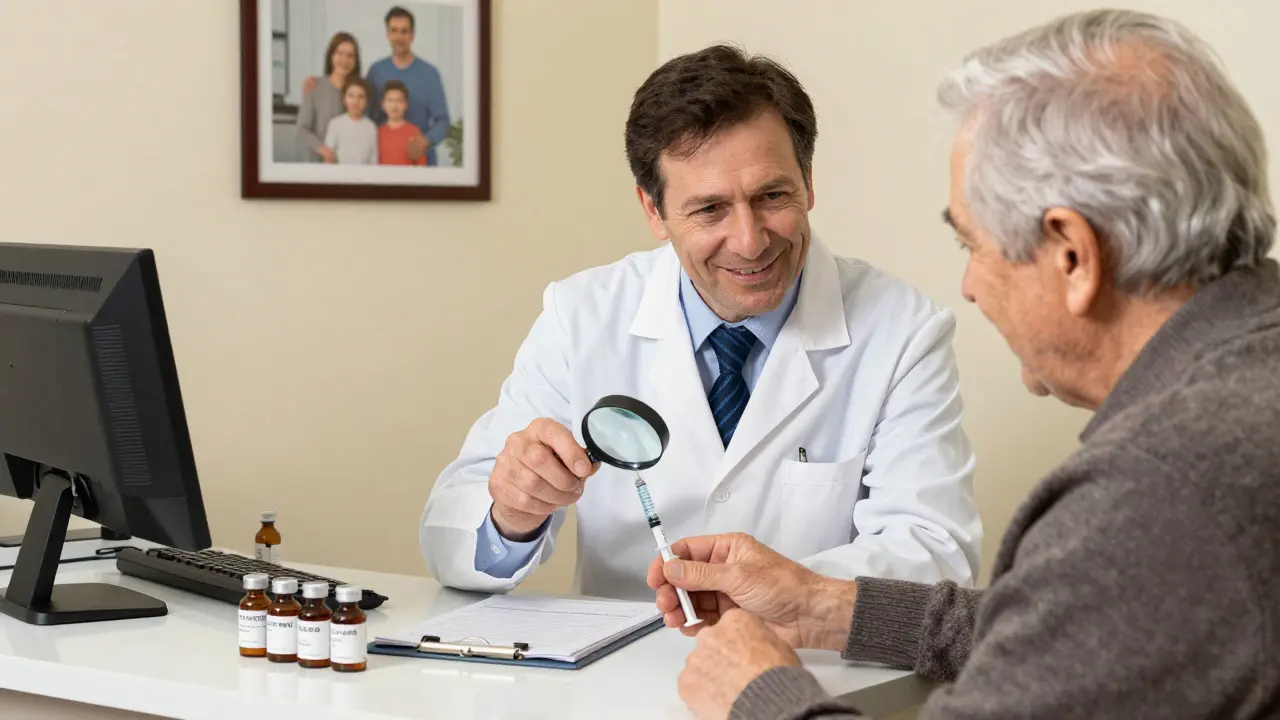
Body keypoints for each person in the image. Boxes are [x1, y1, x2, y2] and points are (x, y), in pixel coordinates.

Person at [648, 10, 1280, 720]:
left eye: (972, 245)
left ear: (1072, 255)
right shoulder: (1254, 373)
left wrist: (758, 693)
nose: (971, 286)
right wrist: (825, 606)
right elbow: (1091, 626)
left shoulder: (1157, 486)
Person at [420, 46, 983, 600]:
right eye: (710, 209)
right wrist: (510, 514)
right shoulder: (582, 317)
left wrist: (789, 589)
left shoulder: (905, 332)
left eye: (772, 195)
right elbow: (451, 539)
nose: (750, 240)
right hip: (616, 679)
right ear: (654, 211)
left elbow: (936, 557)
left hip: (811, 674)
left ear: (808, 182)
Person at [364, 6, 450, 166]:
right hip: (385, 164)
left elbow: (443, 121)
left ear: (412, 35)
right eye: (394, 31)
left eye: (404, 31)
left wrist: (426, 141)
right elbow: (360, 109)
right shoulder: (376, 72)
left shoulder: (430, 74)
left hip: (422, 164)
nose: (399, 37)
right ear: (388, 34)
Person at [296, 32, 361, 164]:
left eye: (350, 56)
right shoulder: (314, 86)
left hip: (349, 166)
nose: (345, 60)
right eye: (340, 53)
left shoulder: (359, 92)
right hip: (317, 165)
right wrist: (324, 150)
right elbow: (302, 130)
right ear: (331, 56)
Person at [323, 77, 377, 165]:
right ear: (344, 99)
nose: (355, 101)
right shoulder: (335, 124)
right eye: (351, 96)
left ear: (366, 101)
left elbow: (373, 160)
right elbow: (328, 159)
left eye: (361, 97)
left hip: (363, 177)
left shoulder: (371, 127)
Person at [377, 80, 427, 166]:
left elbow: (421, 165)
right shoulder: (378, 133)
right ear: (382, 105)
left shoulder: (414, 132)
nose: (394, 105)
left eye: (399, 100)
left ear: (406, 105)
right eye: (390, 100)